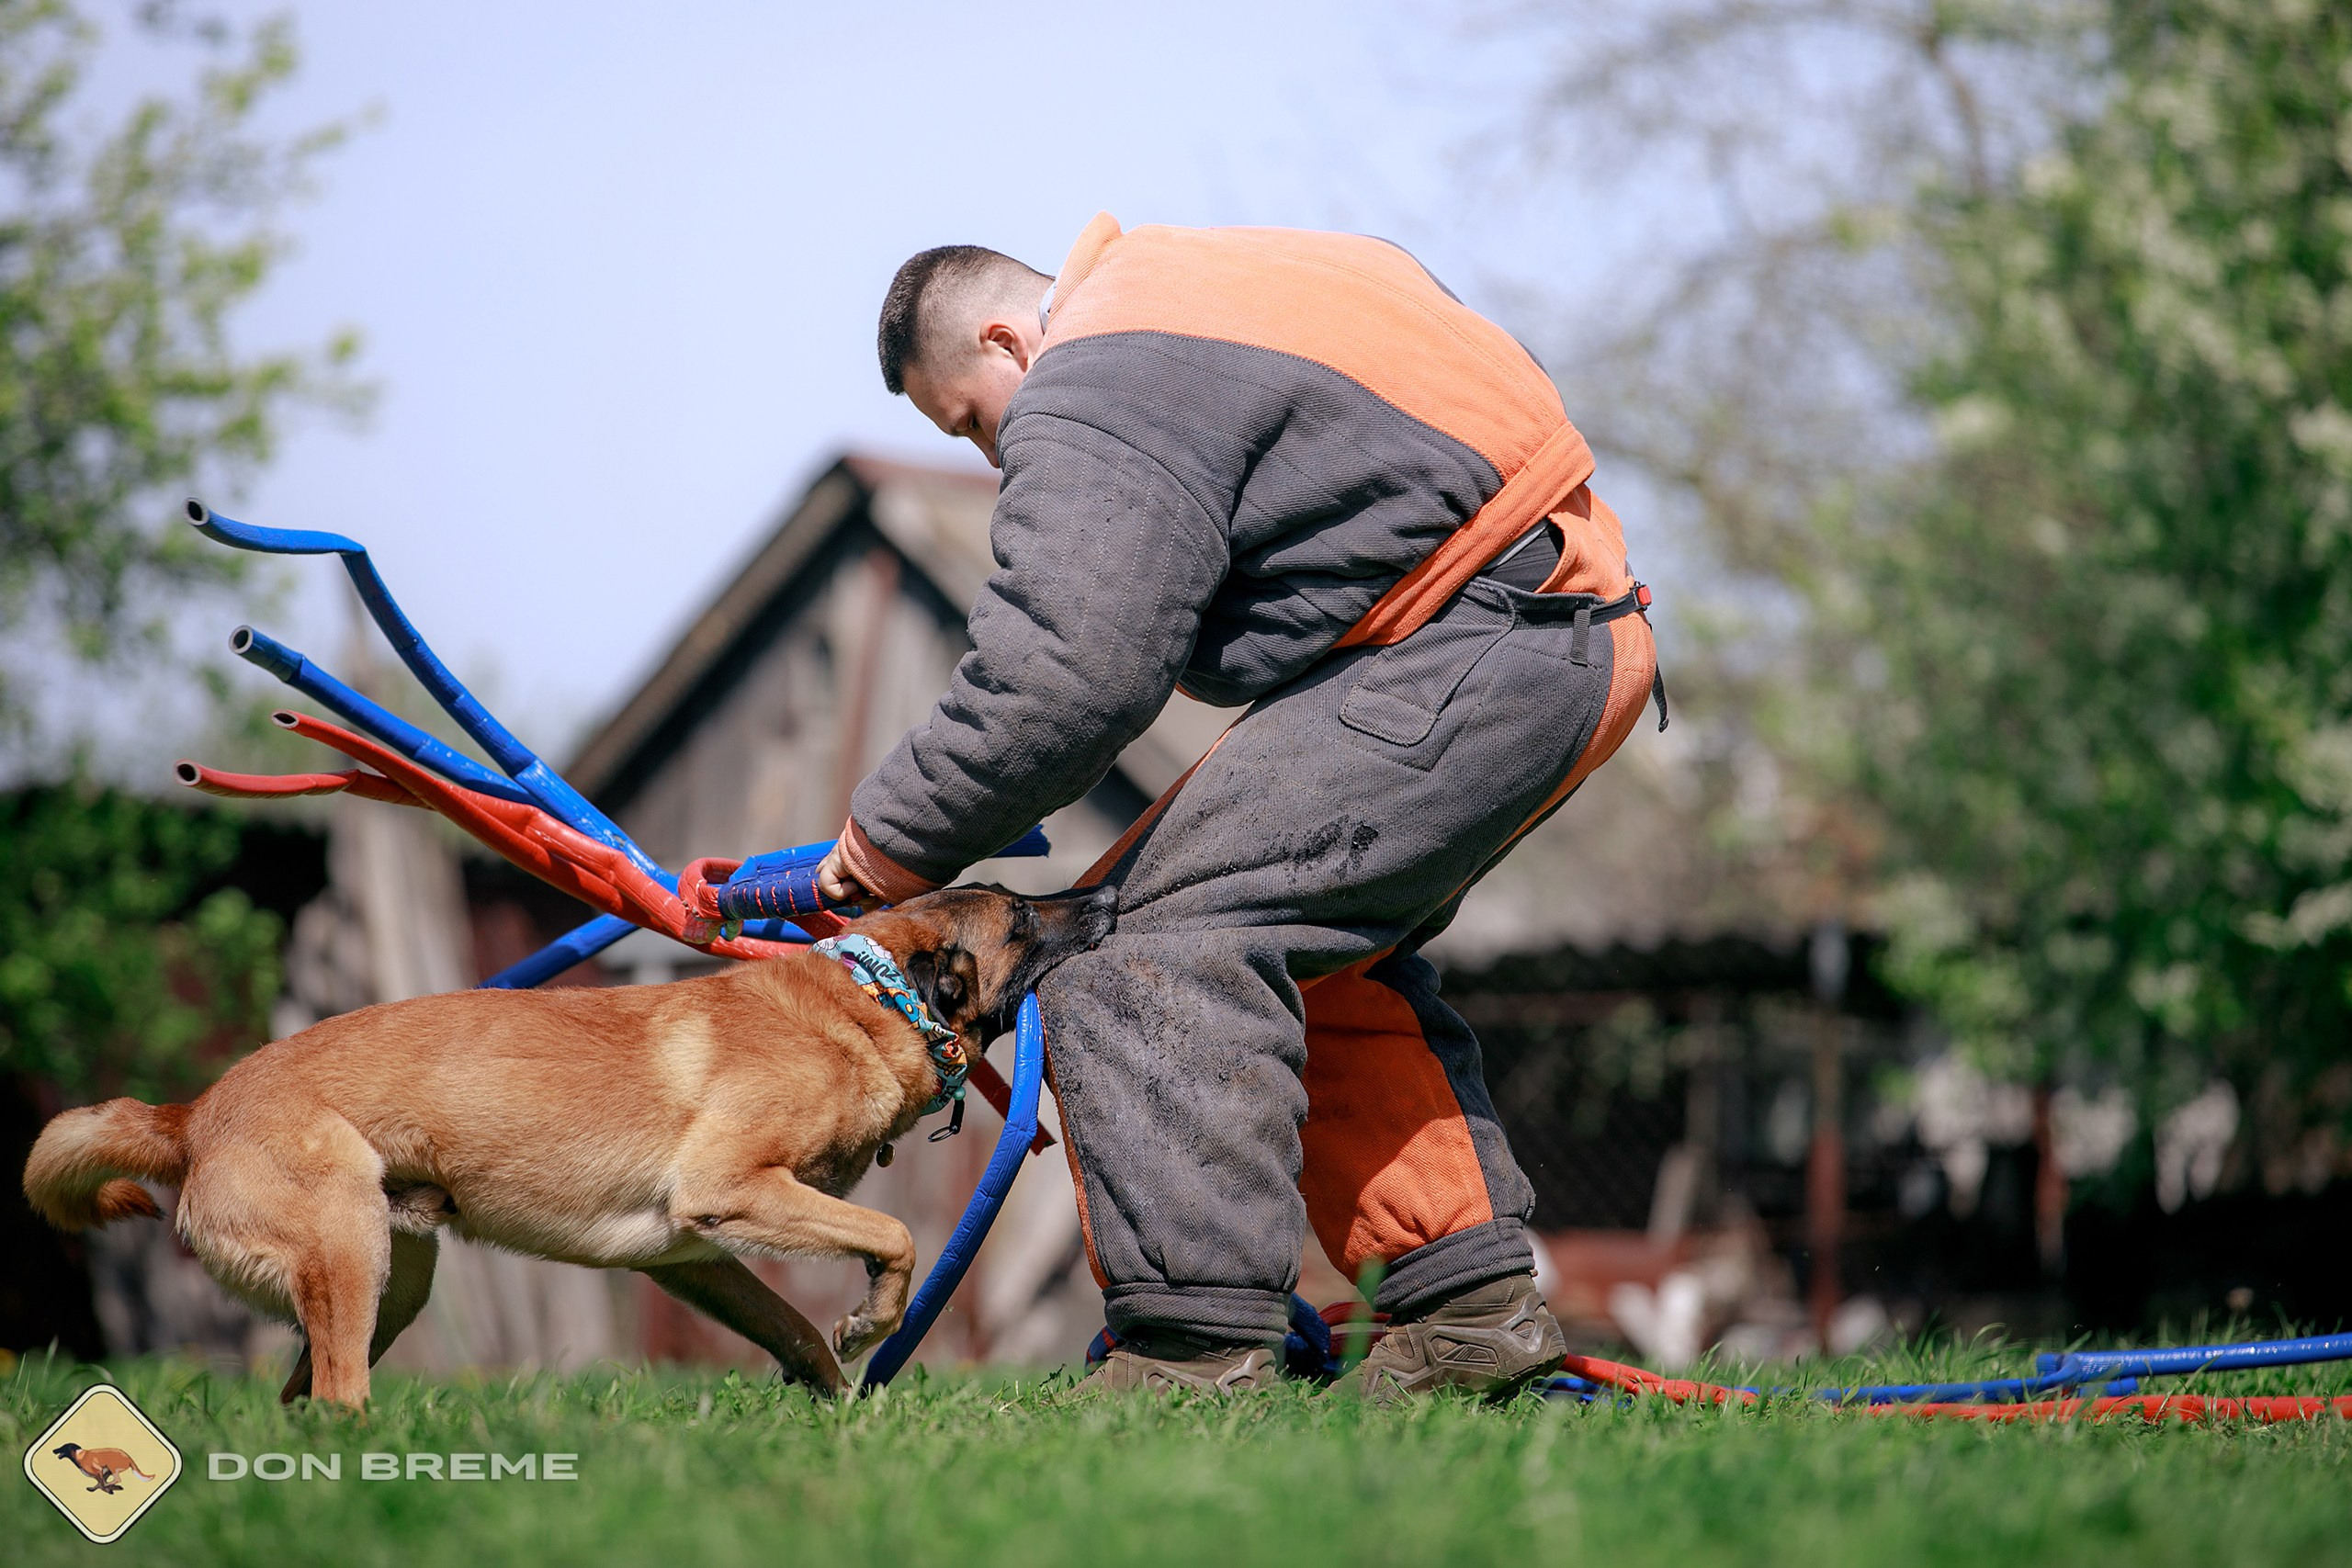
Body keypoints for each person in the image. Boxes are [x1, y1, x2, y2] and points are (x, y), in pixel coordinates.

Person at [815, 214, 1661, 1400]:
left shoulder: (1092, 367)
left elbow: (1062, 679)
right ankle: (1462, 1312)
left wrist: (878, 846)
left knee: (1124, 941)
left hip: (1487, 636)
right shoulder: (1201, 280)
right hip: (1550, 617)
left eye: (971, 419)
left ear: (1010, 339)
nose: (997, 460)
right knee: (1306, 945)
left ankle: (1192, 1352)